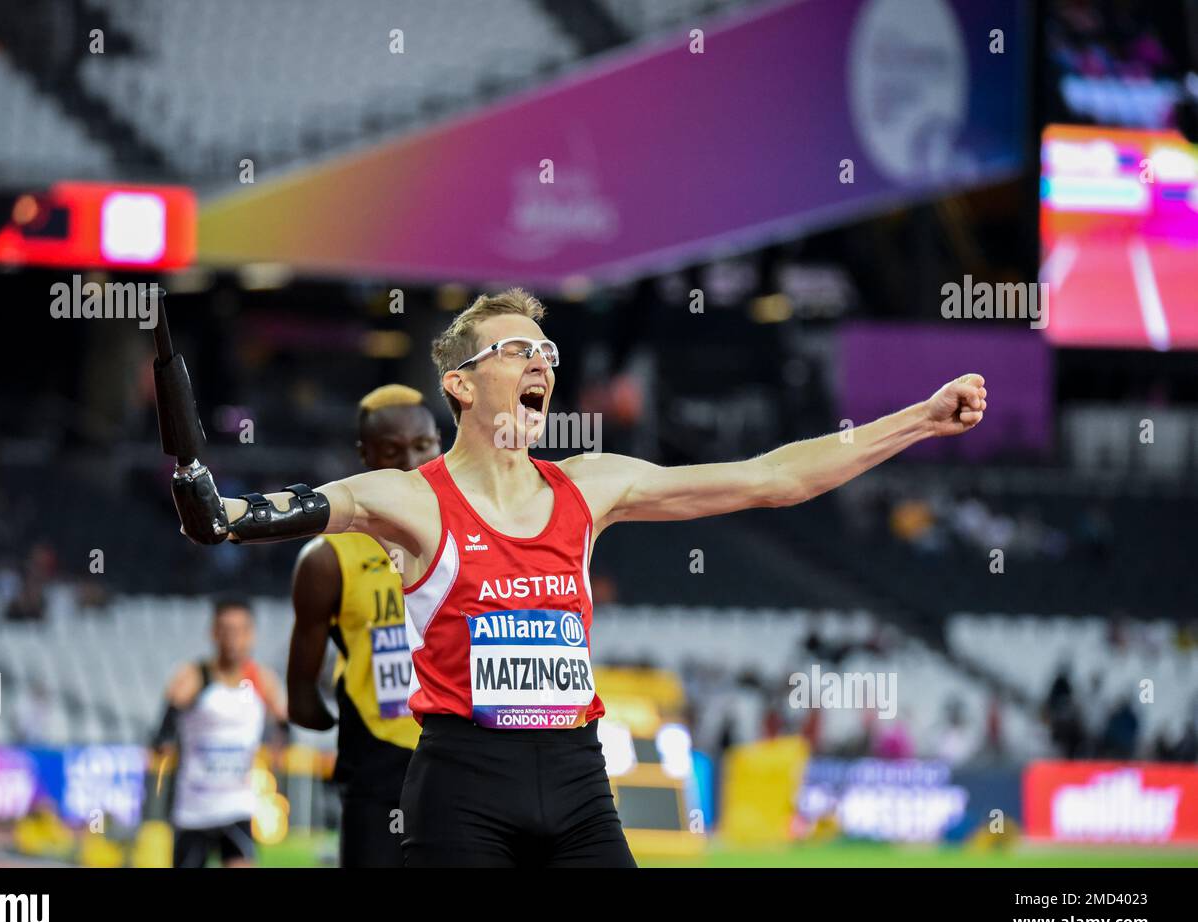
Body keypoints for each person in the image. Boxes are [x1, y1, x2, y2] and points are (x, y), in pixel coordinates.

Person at [160, 288, 988, 866]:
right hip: (461, 786)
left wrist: (918, 418)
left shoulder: (590, 485)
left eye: (546, 351)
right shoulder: (412, 499)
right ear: (459, 383)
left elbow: (772, 477)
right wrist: (216, 508)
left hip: (578, 781)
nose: (541, 362)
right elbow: (272, 508)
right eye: (516, 348)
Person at [287, 385, 440, 867]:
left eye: (424, 445)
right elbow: (302, 691)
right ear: (365, 455)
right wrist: (308, 705)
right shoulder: (328, 557)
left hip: (460, 753)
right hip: (376, 759)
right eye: (393, 451)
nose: (411, 462)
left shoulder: (477, 532)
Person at [153, 596, 287, 868]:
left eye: (240, 631)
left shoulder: (263, 680)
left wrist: (279, 747)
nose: (233, 639)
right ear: (214, 632)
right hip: (194, 810)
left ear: (251, 634)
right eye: (226, 630)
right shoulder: (194, 676)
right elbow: (163, 731)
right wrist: (163, 744)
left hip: (236, 805)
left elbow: (284, 724)